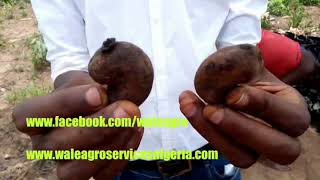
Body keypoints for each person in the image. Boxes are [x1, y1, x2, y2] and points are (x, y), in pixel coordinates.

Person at [12, 1, 311, 180]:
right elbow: (69, 56)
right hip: (123, 159)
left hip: (213, 151)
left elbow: (238, 41)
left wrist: (251, 93)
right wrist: (77, 99)